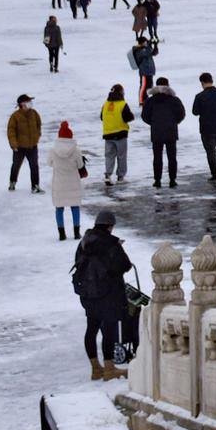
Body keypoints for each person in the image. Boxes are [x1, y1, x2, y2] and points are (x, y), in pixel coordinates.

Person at [72, 210, 134, 379]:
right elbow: (124, 265)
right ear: (110, 226)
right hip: (108, 293)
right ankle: (109, 368)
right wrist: (118, 247)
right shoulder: (111, 243)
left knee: (91, 329)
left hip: (88, 293)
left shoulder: (84, 241)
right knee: (109, 329)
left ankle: (95, 368)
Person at [141, 76, 184, 188]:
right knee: (172, 157)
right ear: (167, 85)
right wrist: (174, 122)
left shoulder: (150, 101)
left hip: (156, 132)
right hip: (171, 131)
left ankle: (157, 180)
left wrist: (154, 123)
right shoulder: (174, 100)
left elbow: (144, 116)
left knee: (157, 157)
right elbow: (181, 114)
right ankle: (172, 180)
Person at [99, 85, 134, 185]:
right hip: (120, 134)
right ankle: (120, 177)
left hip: (108, 134)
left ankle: (108, 175)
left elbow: (102, 117)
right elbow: (129, 117)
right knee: (121, 156)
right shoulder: (122, 104)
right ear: (121, 92)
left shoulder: (105, 104)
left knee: (109, 156)